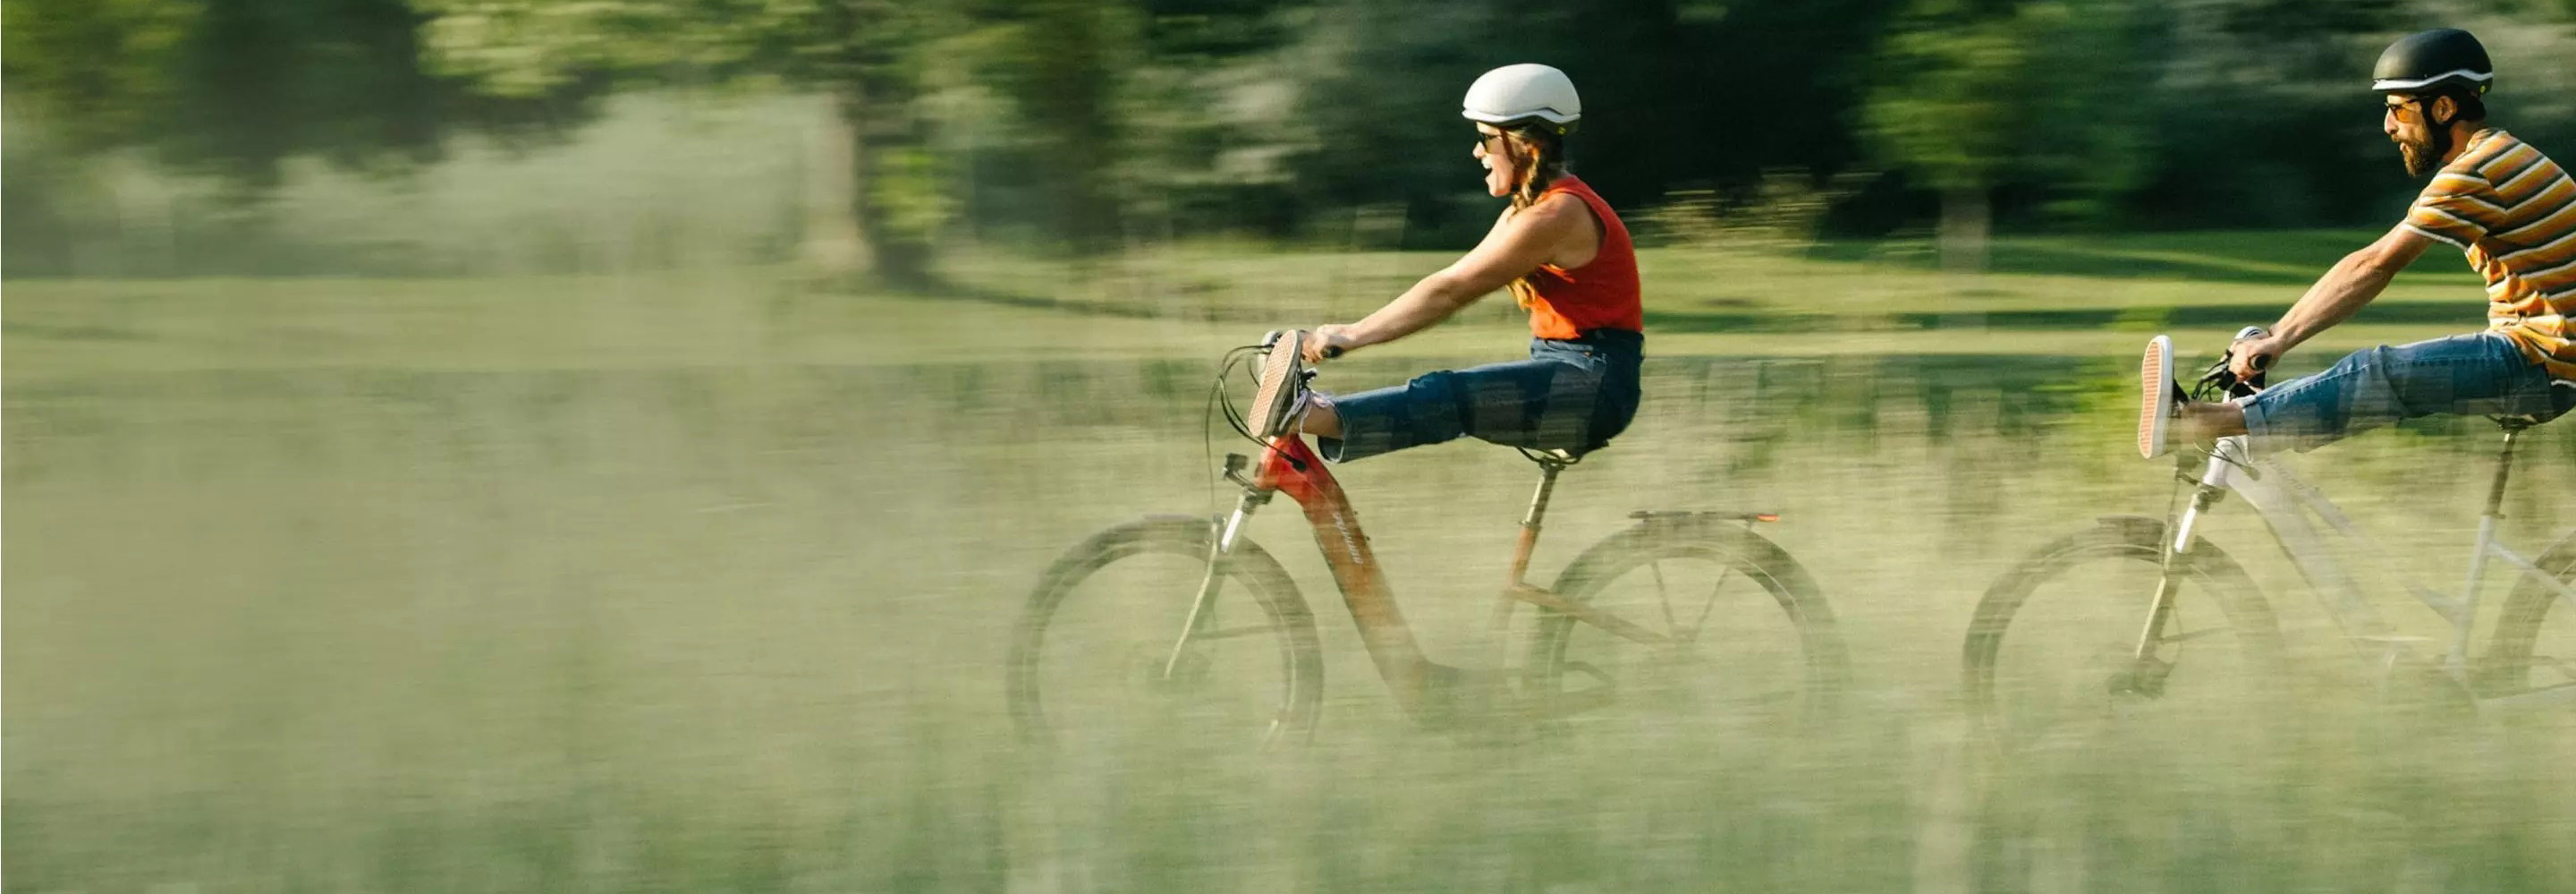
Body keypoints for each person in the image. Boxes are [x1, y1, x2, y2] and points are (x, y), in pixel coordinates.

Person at [2141, 28, 2576, 458]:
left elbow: (2374, 266)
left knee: (2377, 372)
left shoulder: (2478, 172)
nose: (2388, 126)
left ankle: (2198, 422)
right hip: (2544, 359)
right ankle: (2245, 417)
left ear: (2443, 108)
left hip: (2540, 365)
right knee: (2359, 378)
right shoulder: (2501, 156)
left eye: (2398, 110)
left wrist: (2277, 339)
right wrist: (2276, 340)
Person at [1249, 64, 1644, 463]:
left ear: (1527, 144)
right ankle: (1314, 416)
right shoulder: (1529, 211)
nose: (1477, 151)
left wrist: (1350, 335)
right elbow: (1450, 282)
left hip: (1592, 386)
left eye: (1486, 138)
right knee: (1452, 398)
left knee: (1451, 396)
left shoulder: (1558, 215)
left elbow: (1450, 291)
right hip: (1567, 373)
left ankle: (1311, 415)